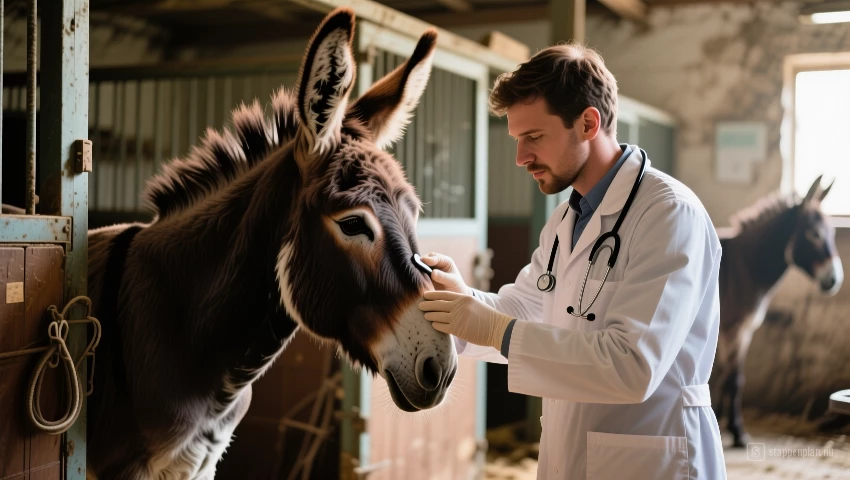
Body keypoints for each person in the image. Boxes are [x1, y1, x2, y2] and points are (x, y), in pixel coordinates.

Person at [418, 43, 727, 479]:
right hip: (569, 454)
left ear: (587, 124)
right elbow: (526, 309)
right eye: (517, 139)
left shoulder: (669, 213)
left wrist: (493, 328)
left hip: (651, 459)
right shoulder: (566, 218)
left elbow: (632, 365)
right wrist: (461, 299)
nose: (521, 157)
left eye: (534, 137)